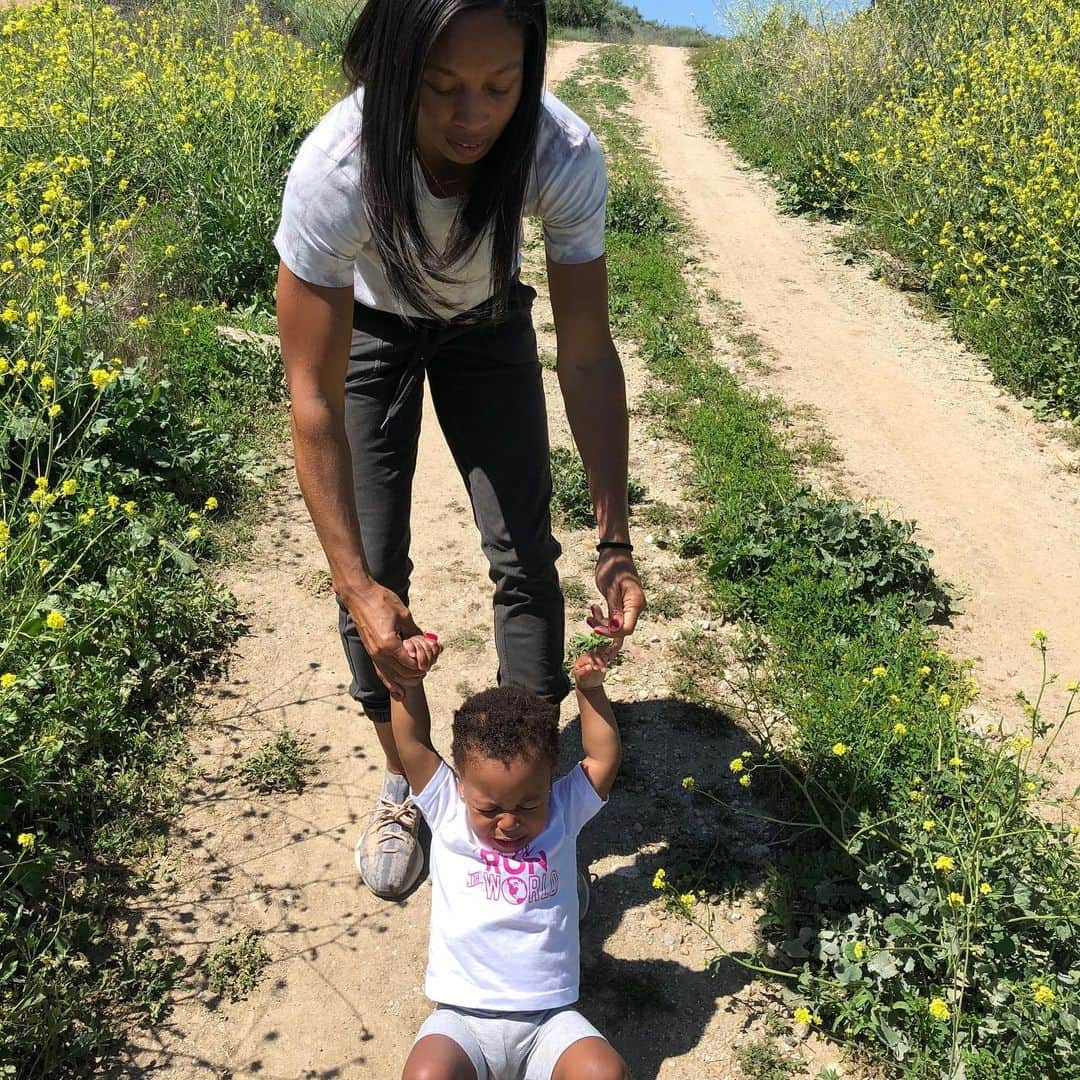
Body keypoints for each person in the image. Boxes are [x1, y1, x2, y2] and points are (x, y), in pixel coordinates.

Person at [274, 0, 645, 900]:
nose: (472, 116)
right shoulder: (339, 167)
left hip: (489, 327)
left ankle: (532, 799)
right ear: (393, 71)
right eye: (441, 88)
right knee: (375, 562)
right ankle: (408, 784)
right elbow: (312, 394)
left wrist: (615, 539)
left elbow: (588, 356)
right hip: (370, 332)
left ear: (531, 73)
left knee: (525, 551)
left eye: (499, 86)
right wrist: (354, 584)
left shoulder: (561, 153)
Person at [390, 630, 629, 1080]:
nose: (509, 822)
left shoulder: (563, 811)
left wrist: (590, 691)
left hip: (549, 1022)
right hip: (461, 1019)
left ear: (549, 786)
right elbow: (414, 747)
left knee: (604, 1073)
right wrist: (411, 683)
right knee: (426, 1075)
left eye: (527, 805)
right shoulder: (446, 808)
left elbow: (603, 759)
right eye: (489, 809)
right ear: (460, 785)